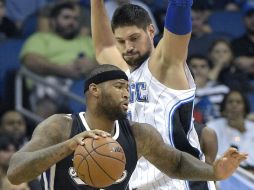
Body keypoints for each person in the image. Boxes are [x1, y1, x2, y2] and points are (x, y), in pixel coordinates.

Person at [7, 65, 248, 190]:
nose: (127, 94)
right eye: (120, 87)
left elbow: (176, 163)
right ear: (94, 90)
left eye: (128, 89)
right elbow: (16, 171)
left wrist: (213, 172)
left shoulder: (138, 133)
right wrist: (70, 145)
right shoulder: (61, 125)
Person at [90, 0, 216, 189]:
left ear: (151, 31)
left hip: (181, 181)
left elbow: (179, 13)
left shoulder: (165, 63)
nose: (128, 47)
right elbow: (103, 48)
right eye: (121, 41)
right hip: (139, 183)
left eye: (134, 38)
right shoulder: (123, 73)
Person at [207, 90, 254, 174]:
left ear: (245, 108)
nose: (234, 105)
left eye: (238, 102)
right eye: (230, 102)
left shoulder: (252, 127)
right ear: (224, 107)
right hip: (220, 171)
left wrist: (242, 130)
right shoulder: (213, 126)